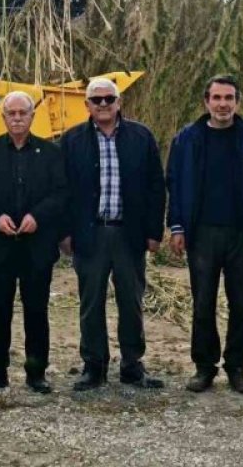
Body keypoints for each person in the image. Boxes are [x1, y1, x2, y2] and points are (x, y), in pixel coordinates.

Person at [167, 74, 243, 394]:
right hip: (201, 234)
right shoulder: (187, 139)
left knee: (240, 303)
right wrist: (176, 226)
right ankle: (204, 367)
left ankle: (237, 367)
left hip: (242, 235)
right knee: (203, 303)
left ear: (237, 102)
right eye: (216, 98)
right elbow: (174, 184)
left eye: (229, 98)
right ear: (206, 102)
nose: (222, 104)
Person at [61, 77, 166, 391]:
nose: (104, 105)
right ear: (87, 106)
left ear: (119, 102)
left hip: (128, 234)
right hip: (89, 235)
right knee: (91, 303)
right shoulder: (71, 140)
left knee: (131, 302)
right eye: (97, 100)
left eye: (109, 99)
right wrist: (64, 232)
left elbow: (155, 187)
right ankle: (94, 366)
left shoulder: (141, 136)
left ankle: (132, 365)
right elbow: (61, 190)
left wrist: (153, 231)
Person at [0, 91, 67, 394]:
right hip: (0, 246)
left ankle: (36, 372)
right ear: (3, 117)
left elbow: (61, 193)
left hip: (36, 246)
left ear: (32, 116)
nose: (16, 118)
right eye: (10, 113)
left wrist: (38, 216)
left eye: (22, 113)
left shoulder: (51, 153)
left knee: (36, 310)